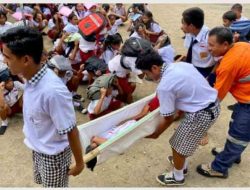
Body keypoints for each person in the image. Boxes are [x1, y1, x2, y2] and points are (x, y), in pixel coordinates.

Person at [0, 27, 84, 187]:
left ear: (25, 60)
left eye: (7, 57)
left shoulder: (53, 92)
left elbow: (71, 130)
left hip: (53, 156)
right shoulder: (29, 75)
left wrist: (79, 163)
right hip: (38, 147)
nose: (4, 61)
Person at [135, 51, 220, 186]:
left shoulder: (165, 86)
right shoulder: (180, 65)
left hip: (201, 114)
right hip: (213, 104)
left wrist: (156, 134)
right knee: (182, 142)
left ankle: (178, 176)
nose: (147, 77)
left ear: (154, 68)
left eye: (146, 73)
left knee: (177, 146)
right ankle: (181, 164)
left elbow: (168, 118)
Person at [196, 27, 250, 179]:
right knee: (235, 123)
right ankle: (233, 154)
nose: (209, 48)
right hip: (245, 98)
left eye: (212, 45)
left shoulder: (228, 65)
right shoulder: (240, 45)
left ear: (225, 44)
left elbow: (216, 98)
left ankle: (219, 168)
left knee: (238, 135)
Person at [181, 7, 216, 78]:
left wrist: (209, 77)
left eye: (183, 23)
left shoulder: (209, 38)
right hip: (193, 66)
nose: (181, 27)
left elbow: (219, 60)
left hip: (206, 70)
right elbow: (190, 50)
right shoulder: (190, 33)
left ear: (191, 26)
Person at [0, 68, 24, 135]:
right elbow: (1, 106)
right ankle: (4, 123)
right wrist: (1, 90)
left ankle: (27, 112)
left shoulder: (16, 84)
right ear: (3, 84)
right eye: (7, 82)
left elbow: (28, 88)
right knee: (2, 106)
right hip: (8, 110)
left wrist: (22, 78)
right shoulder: (1, 90)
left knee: (26, 94)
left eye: (11, 80)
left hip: (17, 106)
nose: (10, 83)